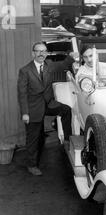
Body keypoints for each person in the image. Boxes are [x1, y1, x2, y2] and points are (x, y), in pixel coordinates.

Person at [17, 41, 78, 176]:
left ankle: (67, 140)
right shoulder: (25, 70)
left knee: (66, 110)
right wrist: (25, 113)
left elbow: (63, 65)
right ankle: (31, 165)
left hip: (49, 104)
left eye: (44, 51)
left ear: (46, 53)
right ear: (33, 53)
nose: (41, 54)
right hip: (33, 108)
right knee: (34, 138)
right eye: (38, 51)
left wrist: (72, 56)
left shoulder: (49, 65)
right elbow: (22, 94)